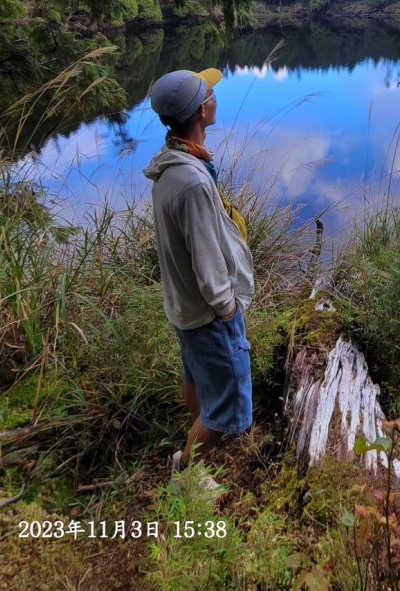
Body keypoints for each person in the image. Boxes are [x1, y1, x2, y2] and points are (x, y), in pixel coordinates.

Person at [144, 67, 254, 488]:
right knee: (228, 412)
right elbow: (207, 261)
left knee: (196, 378)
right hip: (209, 315)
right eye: (209, 93)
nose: (215, 96)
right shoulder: (190, 182)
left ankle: (193, 438)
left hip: (185, 308)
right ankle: (187, 473)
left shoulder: (173, 165)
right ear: (201, 110)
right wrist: (226, 307)